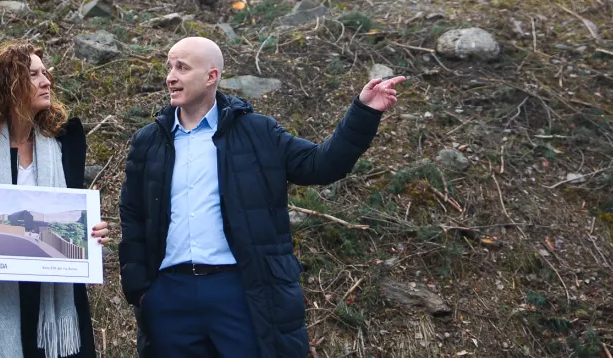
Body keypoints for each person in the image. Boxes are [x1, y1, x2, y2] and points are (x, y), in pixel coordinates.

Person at [119, 36, 405, 358]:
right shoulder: (148, 141)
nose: (170, 76)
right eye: (169, 67)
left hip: (240, 291)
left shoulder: (258, 133)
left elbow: (320, 164)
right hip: (169, 296)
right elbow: (132, 214)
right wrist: (141, 289)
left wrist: (363, 112)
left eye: (182, 67)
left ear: (211, 76)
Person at [0, 42, 108, 358]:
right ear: (8, 85)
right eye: (34, 75)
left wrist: (91, 231)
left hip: (54, 296)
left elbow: (72, 214)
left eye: (45, 73)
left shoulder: (66, 140)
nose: (46, 81)